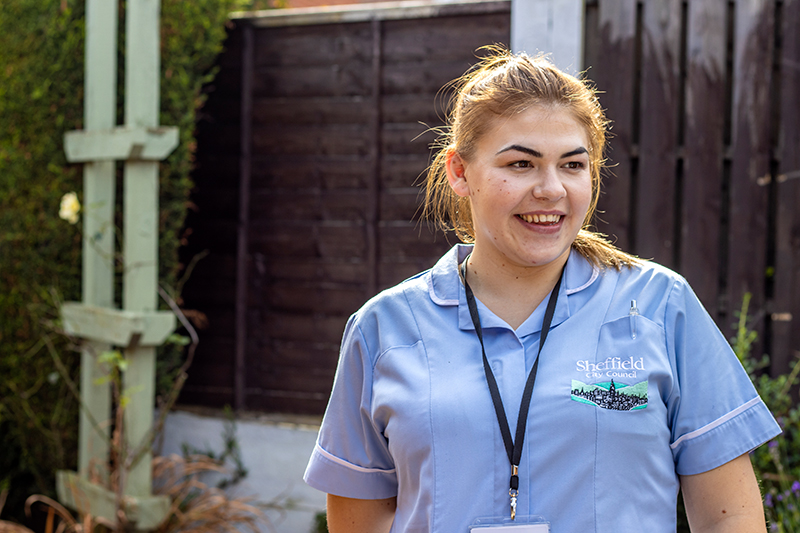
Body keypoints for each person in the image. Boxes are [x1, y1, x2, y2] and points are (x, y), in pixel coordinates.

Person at [303, 48, 781, 532]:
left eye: (573, 165)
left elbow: (730, 519)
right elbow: (359, 523)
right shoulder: (383, 328)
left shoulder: (660, 307)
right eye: (520, 164)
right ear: (459, 172)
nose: (551, 189)